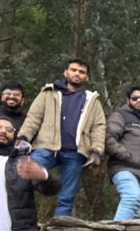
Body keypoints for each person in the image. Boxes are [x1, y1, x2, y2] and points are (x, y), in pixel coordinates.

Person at [19, 58, 106, 218]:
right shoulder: (48, 93)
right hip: (46, 146)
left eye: (82, 72)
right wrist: (23, 137)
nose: (77, 74)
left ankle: (60, 227)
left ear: (87, 77)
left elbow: (99, 127)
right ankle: (22, 218)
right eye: (73, 70)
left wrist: (96, 150)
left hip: (75, 151)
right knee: (23, 175)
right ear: (65, 72)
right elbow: (34, 118)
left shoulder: (92, 100)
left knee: (67, 196)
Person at [106, 85, 140, 221]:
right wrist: (125, 155)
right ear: (128, 100)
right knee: (132, 196)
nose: (139, 101)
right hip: (124, 168)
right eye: (135, 98)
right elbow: (108, 138)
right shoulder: (120, 116)